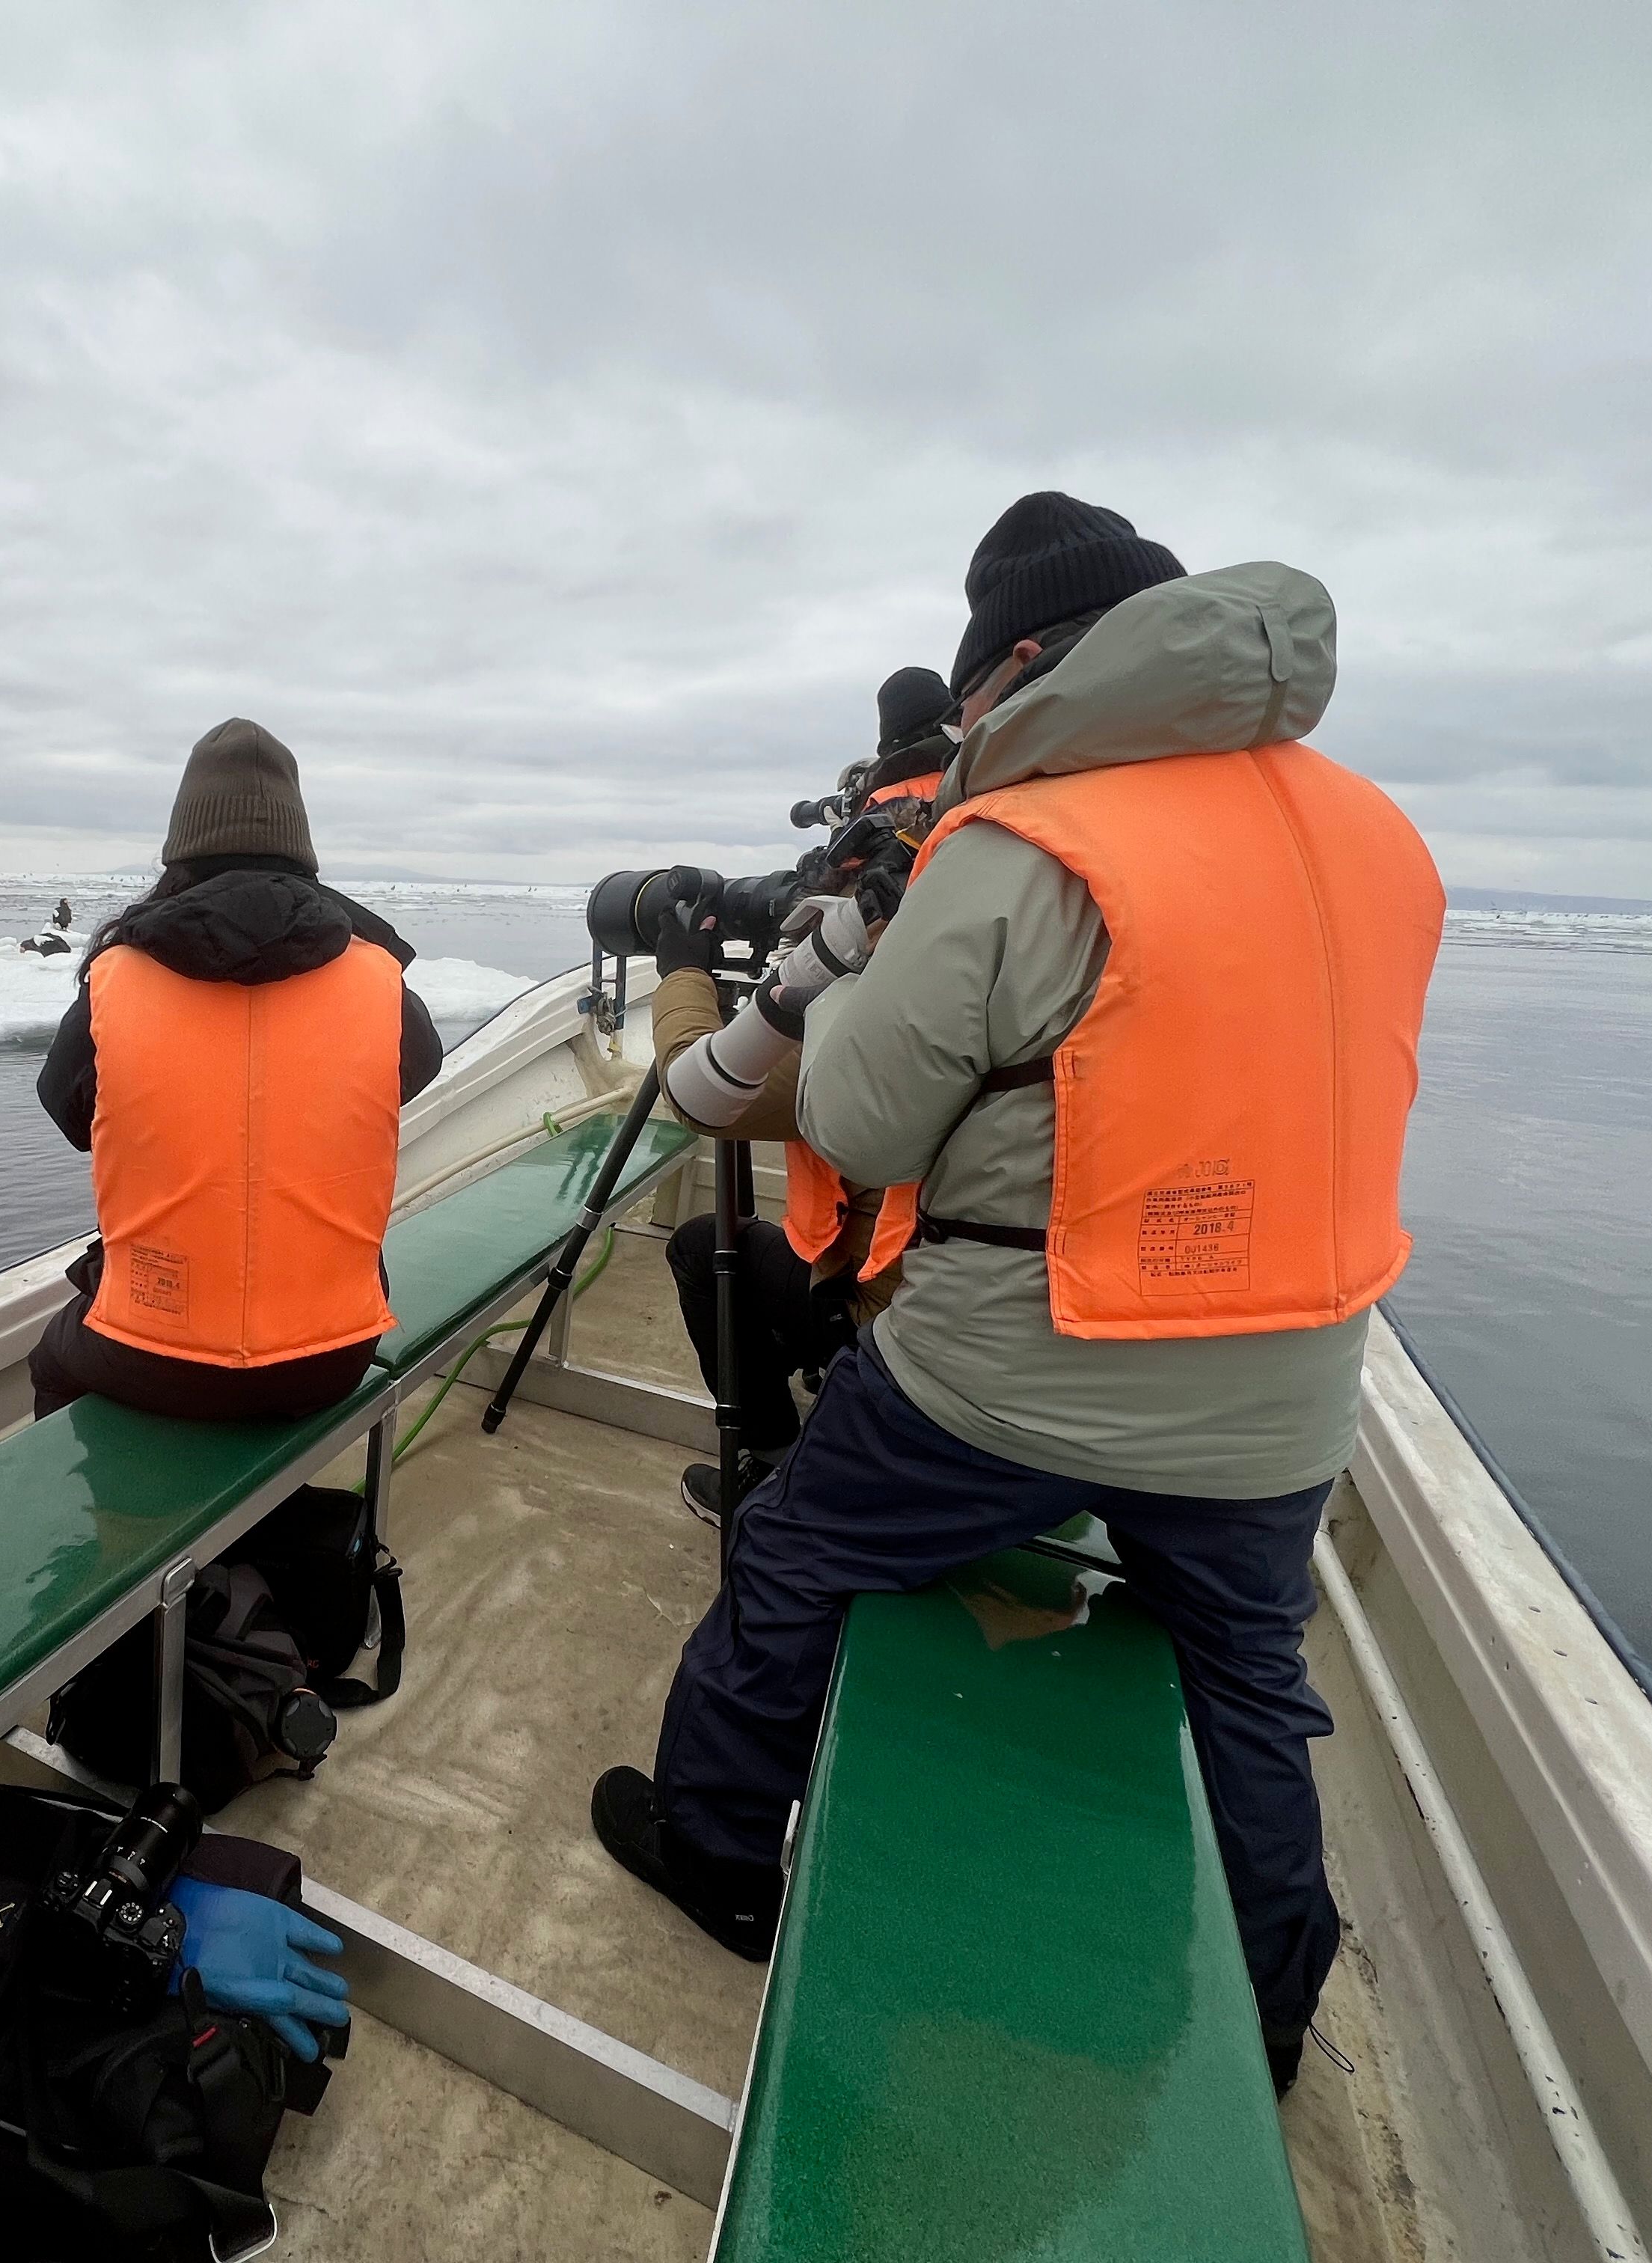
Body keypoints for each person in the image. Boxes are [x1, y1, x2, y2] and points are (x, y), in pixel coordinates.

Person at [592, 495, 1445, 2095]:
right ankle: (1271, 2018)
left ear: (1027, 665)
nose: (972, 723)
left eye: (980, 692)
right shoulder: (1375, 832)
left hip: (1023, 1369)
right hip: (1289, 1388)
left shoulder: (1032, 842)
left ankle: (715, 1850)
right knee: (1254, 1676)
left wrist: (838, 986)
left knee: (792, 1548)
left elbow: (852, 1123)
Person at [32, 718, 444, 1421]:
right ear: (300, 845)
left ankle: (110, 1521)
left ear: (183, 847)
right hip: (331, 1354)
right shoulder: (377, 982)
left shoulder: (116, 976)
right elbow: (410, 1074)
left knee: (51, 1359)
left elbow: (69, 1112)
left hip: (150, 1350)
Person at [649, 665, 956, 1523]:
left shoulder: (890, 989)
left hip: (903, 1299)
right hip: (1009, 1297)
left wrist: (683, 974)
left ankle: (781, 1470)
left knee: (703, 1249)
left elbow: (704, 1094)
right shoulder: (1000, 869)